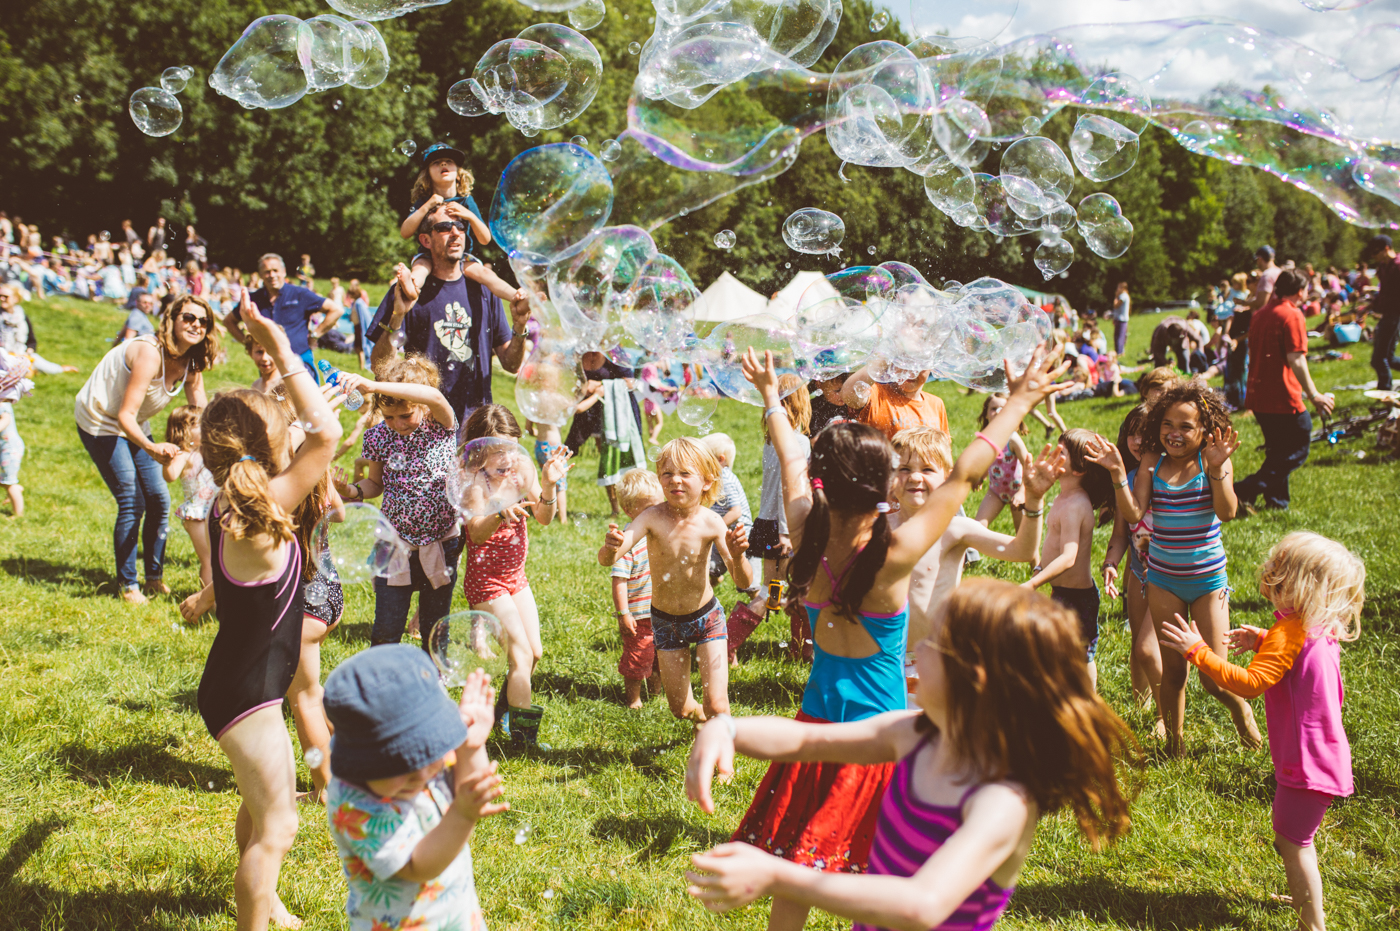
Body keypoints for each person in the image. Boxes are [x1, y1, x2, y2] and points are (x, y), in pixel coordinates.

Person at [709, 346, 1067, 931]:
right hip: (877, 731)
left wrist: (773, 396)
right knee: (881, 863)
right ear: (885, 488)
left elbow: (790, 453)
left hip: (812, 722)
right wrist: (1020, 401)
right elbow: (966, 473)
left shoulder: (807, 530)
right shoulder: (895, 555)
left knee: (794, 850)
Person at [683, 579, 1134, 931]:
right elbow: (806, 741)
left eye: (932, 643)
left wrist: (780, 876)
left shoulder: (1002, 802)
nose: (915, 652)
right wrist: (728, 728)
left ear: (972, 678)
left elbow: (924, 904)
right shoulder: (914, 735)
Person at [196, 299, 342, 931]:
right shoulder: (258, 508)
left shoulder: (238, 501)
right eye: (278, 414)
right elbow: (328, 437)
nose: (289, 413)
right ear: (267, 441)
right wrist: (282, 348)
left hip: (244, 684)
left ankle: (267, 902)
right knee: (279, 826)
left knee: (262, 808)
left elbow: (314, 438)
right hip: (248, 694)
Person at [1161, 532, 1363, 931]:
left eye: (1277, 574)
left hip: (1306, 765)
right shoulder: (1314, 625)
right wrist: (1264, 639)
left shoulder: (1291, 633)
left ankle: (1312, 922)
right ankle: (1302, 891)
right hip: (1322, 757)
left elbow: (1251, 684)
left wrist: (1197, 651)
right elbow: (1299, 659)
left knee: (1293, 841)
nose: (1267, 577)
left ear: (1299, 587)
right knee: (1294, 836)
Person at [1098, 380, 1260, 756]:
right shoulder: (1152, 463)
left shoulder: (1212, 461)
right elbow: (1135, 513)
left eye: (1186, 426)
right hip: (1163, 581)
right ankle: (1174, 747)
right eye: (1167, 424)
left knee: (1214, 677)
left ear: (1205, 429)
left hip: (1207, 581)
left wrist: (1218, 469)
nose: (1174, 433)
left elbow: (1228, 511)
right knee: (1174, 673)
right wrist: (1117, 474)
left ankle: (1241, 710)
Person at [324, 649, 508, 931]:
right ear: (361, 764)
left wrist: (470, 747)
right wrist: (462, 815)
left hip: (456, 914)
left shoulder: (428, 754)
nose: (421, 774)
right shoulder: (353, 804)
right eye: (400, 767)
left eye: (426, 757)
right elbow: (418, 867)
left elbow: (466, 787)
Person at [889, 427, 1058, 704]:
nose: (915, 477)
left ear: (947, 476)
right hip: (886, 660)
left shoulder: (954, 529)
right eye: (904, 468)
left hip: (937, 659)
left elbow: (1022, 550)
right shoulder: (877, 529)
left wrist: (1035, 500)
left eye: (927, 469)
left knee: (936, 739)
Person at [598, 437, 753, 723]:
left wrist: (739, 556)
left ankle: (725, 762)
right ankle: (707, 726)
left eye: (685, 473)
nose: (675, 480)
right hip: (665, 622)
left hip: (707, 619)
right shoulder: (651, 518)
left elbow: (742, 580)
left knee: (717, 703)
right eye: (667, 474)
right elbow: (608, 560)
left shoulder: (711, 522)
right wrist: (610, 547)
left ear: (706, 481)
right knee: (680, 709)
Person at [75, 294, 217, 603]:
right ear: (172, 319)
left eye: (203, 321)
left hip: (135, 421)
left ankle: (154, 578)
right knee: (132, 499)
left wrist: (224, 446)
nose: (196, 325)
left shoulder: (192, 360)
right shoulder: (150, 354)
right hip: (101, 419)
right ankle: (128, 584)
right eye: (189, 318)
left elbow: (202, 410)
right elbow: (124, 415)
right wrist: (151, 447)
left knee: (158, 498)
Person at [331, 357, 464, 652]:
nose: (397, 424)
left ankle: (433, 686)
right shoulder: (378, 436)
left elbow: (435, 395)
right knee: (386, 628)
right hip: (394, 542)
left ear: (422, 407)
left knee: (434, 627)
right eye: (389, 416)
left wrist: (371, 384)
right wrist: (350, 490)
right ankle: (380, 688)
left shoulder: (441, 426)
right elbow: (375, 484)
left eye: (405, 415)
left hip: (441, 542)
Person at [457, 404, 570, 747]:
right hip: (486, 579)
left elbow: (544, 517)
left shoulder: (522, 469)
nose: (505, 456)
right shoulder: (476, 483)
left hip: (515, 576)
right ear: (478, 450)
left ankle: (499, 713)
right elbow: (475, 533)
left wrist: (548, 487)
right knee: (520, 654)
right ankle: (522, 741)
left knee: (534, 652)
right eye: (495, 449)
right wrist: (497, 513)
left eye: (510, 446)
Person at [367, 206, 530, 424]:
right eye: (444, 227)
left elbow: (510, 364)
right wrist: (398, 315)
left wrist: (519, 327)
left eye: (461, 226)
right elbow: (380, 366)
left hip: (476, 426)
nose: (455, 233)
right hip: (425, 426)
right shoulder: (408, 292)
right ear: (426, 240)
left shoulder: (484, 291)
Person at [726, 374, 811, 664]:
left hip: (768, 522)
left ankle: (801, 652)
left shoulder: (772, 440)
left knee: (782, 590)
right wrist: (788, 533)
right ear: (802, 402)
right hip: (785, 527)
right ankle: (727, 644)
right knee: (783, 591)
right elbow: (790, 490)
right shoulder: (798, 442)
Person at [1236, 269, 1335, 512]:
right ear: (1300, 291)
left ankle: (1277, 503)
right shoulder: (1292, 314)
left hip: (1258, 396)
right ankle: (1244, 489)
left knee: (1277, 451)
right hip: (1281, 395)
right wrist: (1314, 395)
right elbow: (1297, 359)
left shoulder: (1260, 314)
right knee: (1298, 447)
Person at [1025, 429, 1115, 690]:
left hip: (1078, 598)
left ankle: (1089, 702)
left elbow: (1068, 557)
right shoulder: (1062, 497)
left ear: (1079, 470)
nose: (1053, 456)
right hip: (1061, 592)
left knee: (1081, 655)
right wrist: (1041, 566)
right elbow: (1052, 543)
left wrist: (1033, 584)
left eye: (1061, 454)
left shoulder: (1076, 504)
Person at [1100, 404, 1164, 736]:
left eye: (1146, 432)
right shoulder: (1124, 477)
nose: (1138, 440)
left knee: (1146, 647)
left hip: (1169, 575)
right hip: (1140, 572)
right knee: (1137, 651)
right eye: (1132, 433)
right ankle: (1141, 710)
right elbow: (1121, 533)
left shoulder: (1165, 472)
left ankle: (1166, 716)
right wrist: (1111, 563)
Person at [399, 143, 524, 303]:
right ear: (427, 175)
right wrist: (427, 205)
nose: (443, 164)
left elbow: (485, 239)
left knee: (485, 274)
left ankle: (517, 297)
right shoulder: (424, 202)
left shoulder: (466, 201)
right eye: (436, 163)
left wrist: (469, 215)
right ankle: (412, 288)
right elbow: (405, 232)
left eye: (448, 161)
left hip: (461, 257)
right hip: (429, 254)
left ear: (458, 173)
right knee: (421, 268)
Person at [224, 253, 342, 379]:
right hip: (269, 364)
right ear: (260, 275)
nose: (272, 275)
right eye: (267, 272)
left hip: (299, 359)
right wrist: (248, 345)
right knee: (272, 398)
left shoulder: (299, 294)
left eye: (275, 270)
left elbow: (336, 310)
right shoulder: (254, 299)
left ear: (284, 272)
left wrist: (315, 334)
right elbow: (228, 321)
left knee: (307, 398)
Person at [611, 468, 665, 709]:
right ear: (629, 511)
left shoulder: (662, 533)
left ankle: (656, 693)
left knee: (662, 657)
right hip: (639, 615)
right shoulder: (627, 540)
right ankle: (633, 699)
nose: (655, 514)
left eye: (659, 507)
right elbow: (619, 579)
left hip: (663, 612)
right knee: (638, 658)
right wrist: (624, 613)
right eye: (648, 509)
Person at [161, 405, 218, 591]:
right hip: (197, 515)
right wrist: (167, 460)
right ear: (184, 430)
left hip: (214, 511)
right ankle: (207, 603)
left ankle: (218, 599)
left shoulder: (208, 451)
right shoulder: (184, 455)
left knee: (218, 558)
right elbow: (170, 476)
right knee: (208, 560)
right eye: (200, 424)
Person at [1224, 245, 1282, 409]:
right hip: (1279, 321)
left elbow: (1262, 303)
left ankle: (1258, 403)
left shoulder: (1267, 275)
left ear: (1260, 259)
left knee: (1260, 366)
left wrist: (1243, 303)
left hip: (1266, 324)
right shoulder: (1279, 272)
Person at [701, 432, 755, 591]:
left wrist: (715, 526)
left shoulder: (725, 478)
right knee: (712, 563)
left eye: (704, 459)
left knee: (719, 565)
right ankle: (710, 583)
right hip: (726, 532)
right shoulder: (718, 477)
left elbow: (736, 511)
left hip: (735, 535)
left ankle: (755, 597)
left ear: (720, 459)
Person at [972, 392, 1032, 531]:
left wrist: (1022, 492)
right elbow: (988, 461)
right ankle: (973, 552)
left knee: (1022, 535)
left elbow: (1028, 466)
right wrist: (981, 477)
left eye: (1003, 409)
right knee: (977, 527)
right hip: (996, 491)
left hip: (1018, 491)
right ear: (986, 413)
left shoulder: (1013, 439)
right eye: (993, 409)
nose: (998, 412)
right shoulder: (986, 438)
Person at [841, 365, 948, 439]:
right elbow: (849, 393)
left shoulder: (936, 404)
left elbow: (942, 453)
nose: (911, 371)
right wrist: (881, 359)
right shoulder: (876, 394)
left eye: (920, 365)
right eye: (904, 362)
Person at [1363, 234, 1400, 391]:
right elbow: (1383, 292)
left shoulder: (1398, 266)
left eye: (1376, 252)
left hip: (1395, 316)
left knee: (1379, 359)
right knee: (1388, 358)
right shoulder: (1383, 267)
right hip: (1388, 315)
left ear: (1386, 249)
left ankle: (1385, 393)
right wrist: (1369, 306)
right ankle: (1385, 393)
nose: (1374, 256)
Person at [1110, 281, 1130, 356]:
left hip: (1121, 319)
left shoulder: (1123, 296)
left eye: (1118, 287)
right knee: (1120, 336)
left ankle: (1119, 352)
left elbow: (1116, 305)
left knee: (1119, 337)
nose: (1117, 289)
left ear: (1122, 288)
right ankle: (1120, 351)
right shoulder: (1124, 295)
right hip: (1121, 319)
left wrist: (1115, 297)